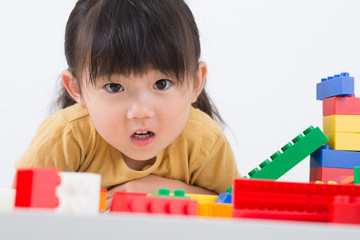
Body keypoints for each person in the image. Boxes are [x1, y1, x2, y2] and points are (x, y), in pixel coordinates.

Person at [15, 0, 241, 203]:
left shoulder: (205, 142)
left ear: (195, 82)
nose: (140, 111)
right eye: (114, 87)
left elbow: (235, 206)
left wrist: (167, 192)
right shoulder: (65, 137)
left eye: (161, 84)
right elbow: (19, 211)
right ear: (77, 89)